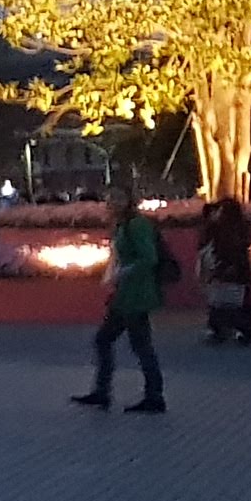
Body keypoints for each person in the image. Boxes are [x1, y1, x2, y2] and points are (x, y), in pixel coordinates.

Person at [73, 171, 170, 414]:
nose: (112, 202)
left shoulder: (136, 225)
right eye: (110, 197)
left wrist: (125, 272)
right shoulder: (121, 226)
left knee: (138, 344)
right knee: (110, 340)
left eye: (118, 198)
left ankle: (151, 395)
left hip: (136, 294)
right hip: (125, 295)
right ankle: (106, 391)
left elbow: (149, 257)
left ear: (129, 200)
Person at [199, 196, 251, 346]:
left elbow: (221, 248)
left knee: (223, 302)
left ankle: (223, 331)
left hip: (227, 269)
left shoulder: (223, 229)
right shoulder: (241, 227)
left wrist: (222, 268)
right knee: (238, 302)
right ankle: (246, 331)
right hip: (239, 271)